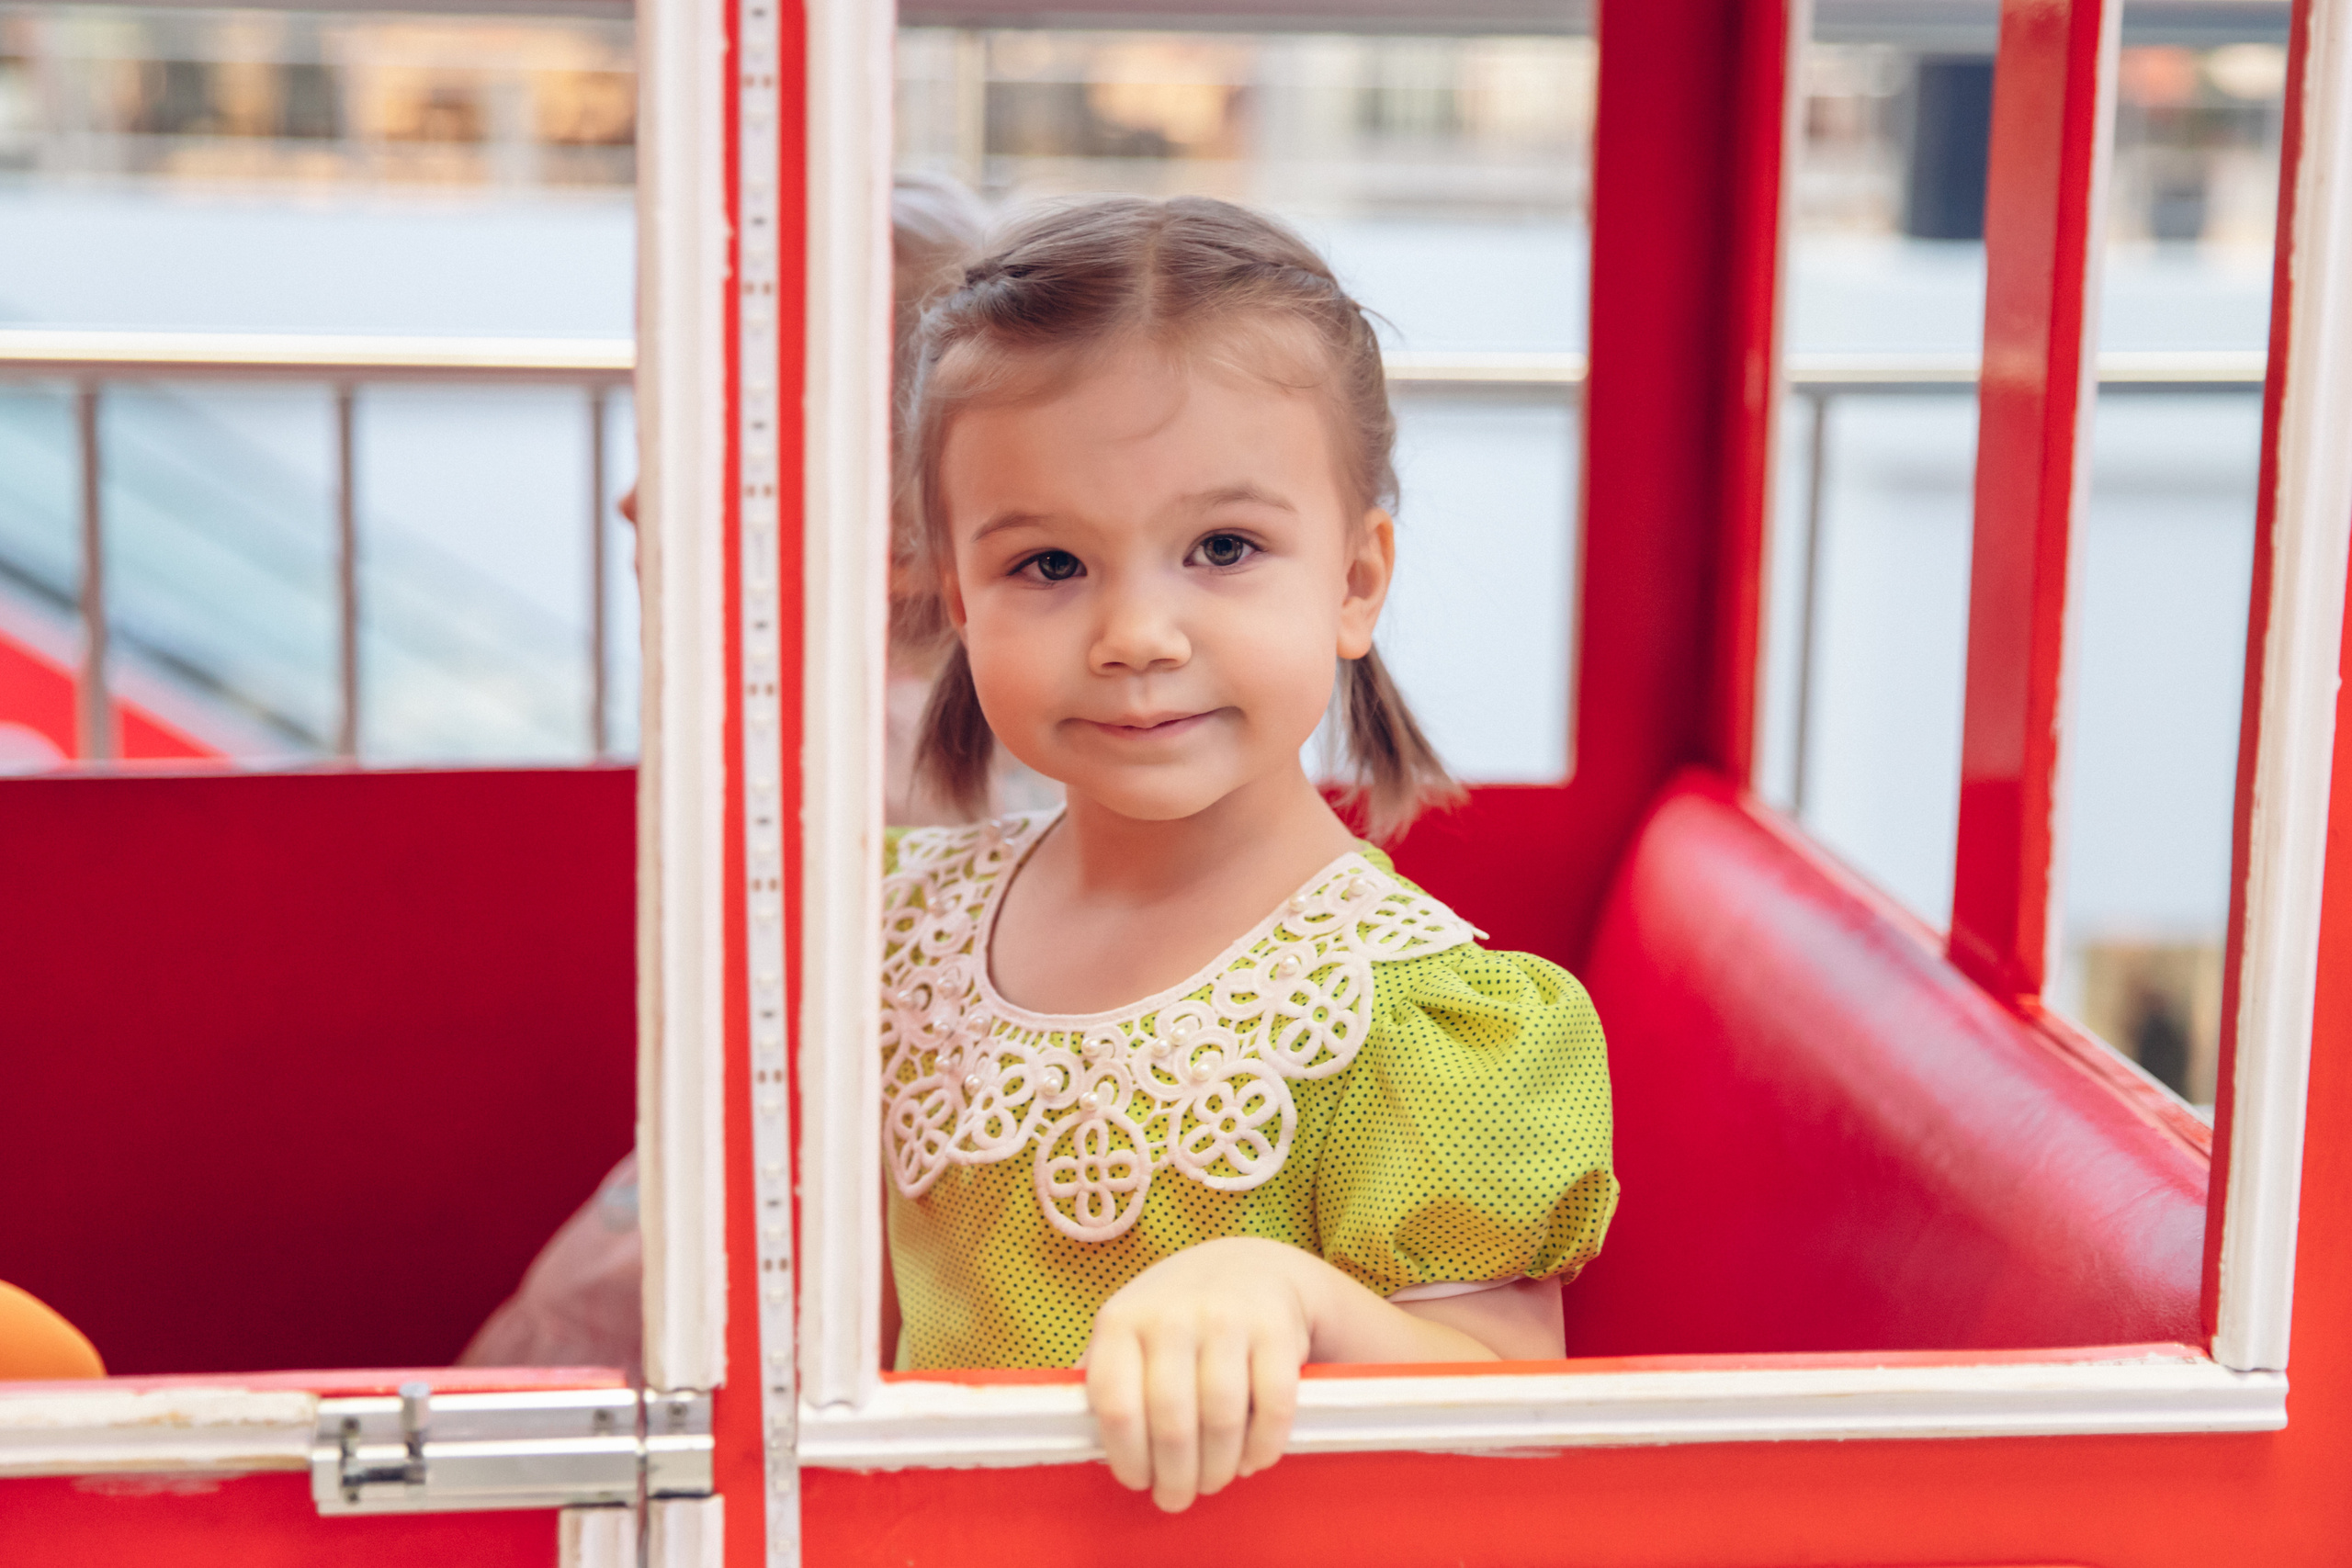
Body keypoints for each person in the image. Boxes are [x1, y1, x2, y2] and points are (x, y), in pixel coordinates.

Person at [881, 195, 1616, 1514]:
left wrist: (1291, 1294)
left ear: (1354, 580)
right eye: (1048, 563)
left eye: (1223, 549)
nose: (1137, 634)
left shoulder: (1416, 1020)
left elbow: (1515, 1421)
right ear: (953, 593)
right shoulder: (897, 927)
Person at [457, 172, 1021, 1375]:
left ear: (912, 549)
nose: (632, 499)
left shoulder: (858, 769)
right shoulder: (894, 744)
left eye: (711, 445)